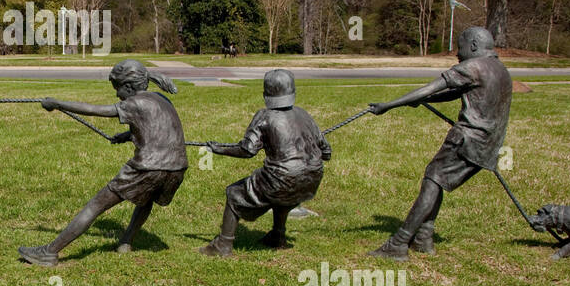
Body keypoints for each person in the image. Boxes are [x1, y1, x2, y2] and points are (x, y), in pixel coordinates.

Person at [18, 59, 187, 267]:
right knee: (146, 198)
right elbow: (158, 128)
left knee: (95, 206)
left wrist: (57, 104)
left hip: (149, 166)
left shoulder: (134, 102)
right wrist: (128, 135)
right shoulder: (160, 98)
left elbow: (94, 110)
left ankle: (49, 252)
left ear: (128, 86)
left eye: (117, 89)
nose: (117, 95)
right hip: (177, 167)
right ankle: (126, 242)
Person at [366, 26, 512, 261]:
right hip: (488, 145)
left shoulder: (473, 66)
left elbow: (433, 86)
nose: (456, 53)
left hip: (467, 140)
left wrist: (389, 105)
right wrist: (424, 100)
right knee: (437, 179)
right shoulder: (500, 69)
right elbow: (454, 93)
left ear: (473, 46)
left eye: (460, 46)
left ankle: (399, 243)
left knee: (432, 181)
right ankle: (424, 238)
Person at [199, 69, 331, 257]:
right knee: (284, 193)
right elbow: (326, 151)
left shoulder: (264, 116)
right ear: (293, 91)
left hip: (282, 178)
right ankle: (278, 236)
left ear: (265, 94)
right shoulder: (304, 114)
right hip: (312, 178)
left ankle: (223, 245)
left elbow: (247, 150)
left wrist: (219, 149)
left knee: (234, 193)